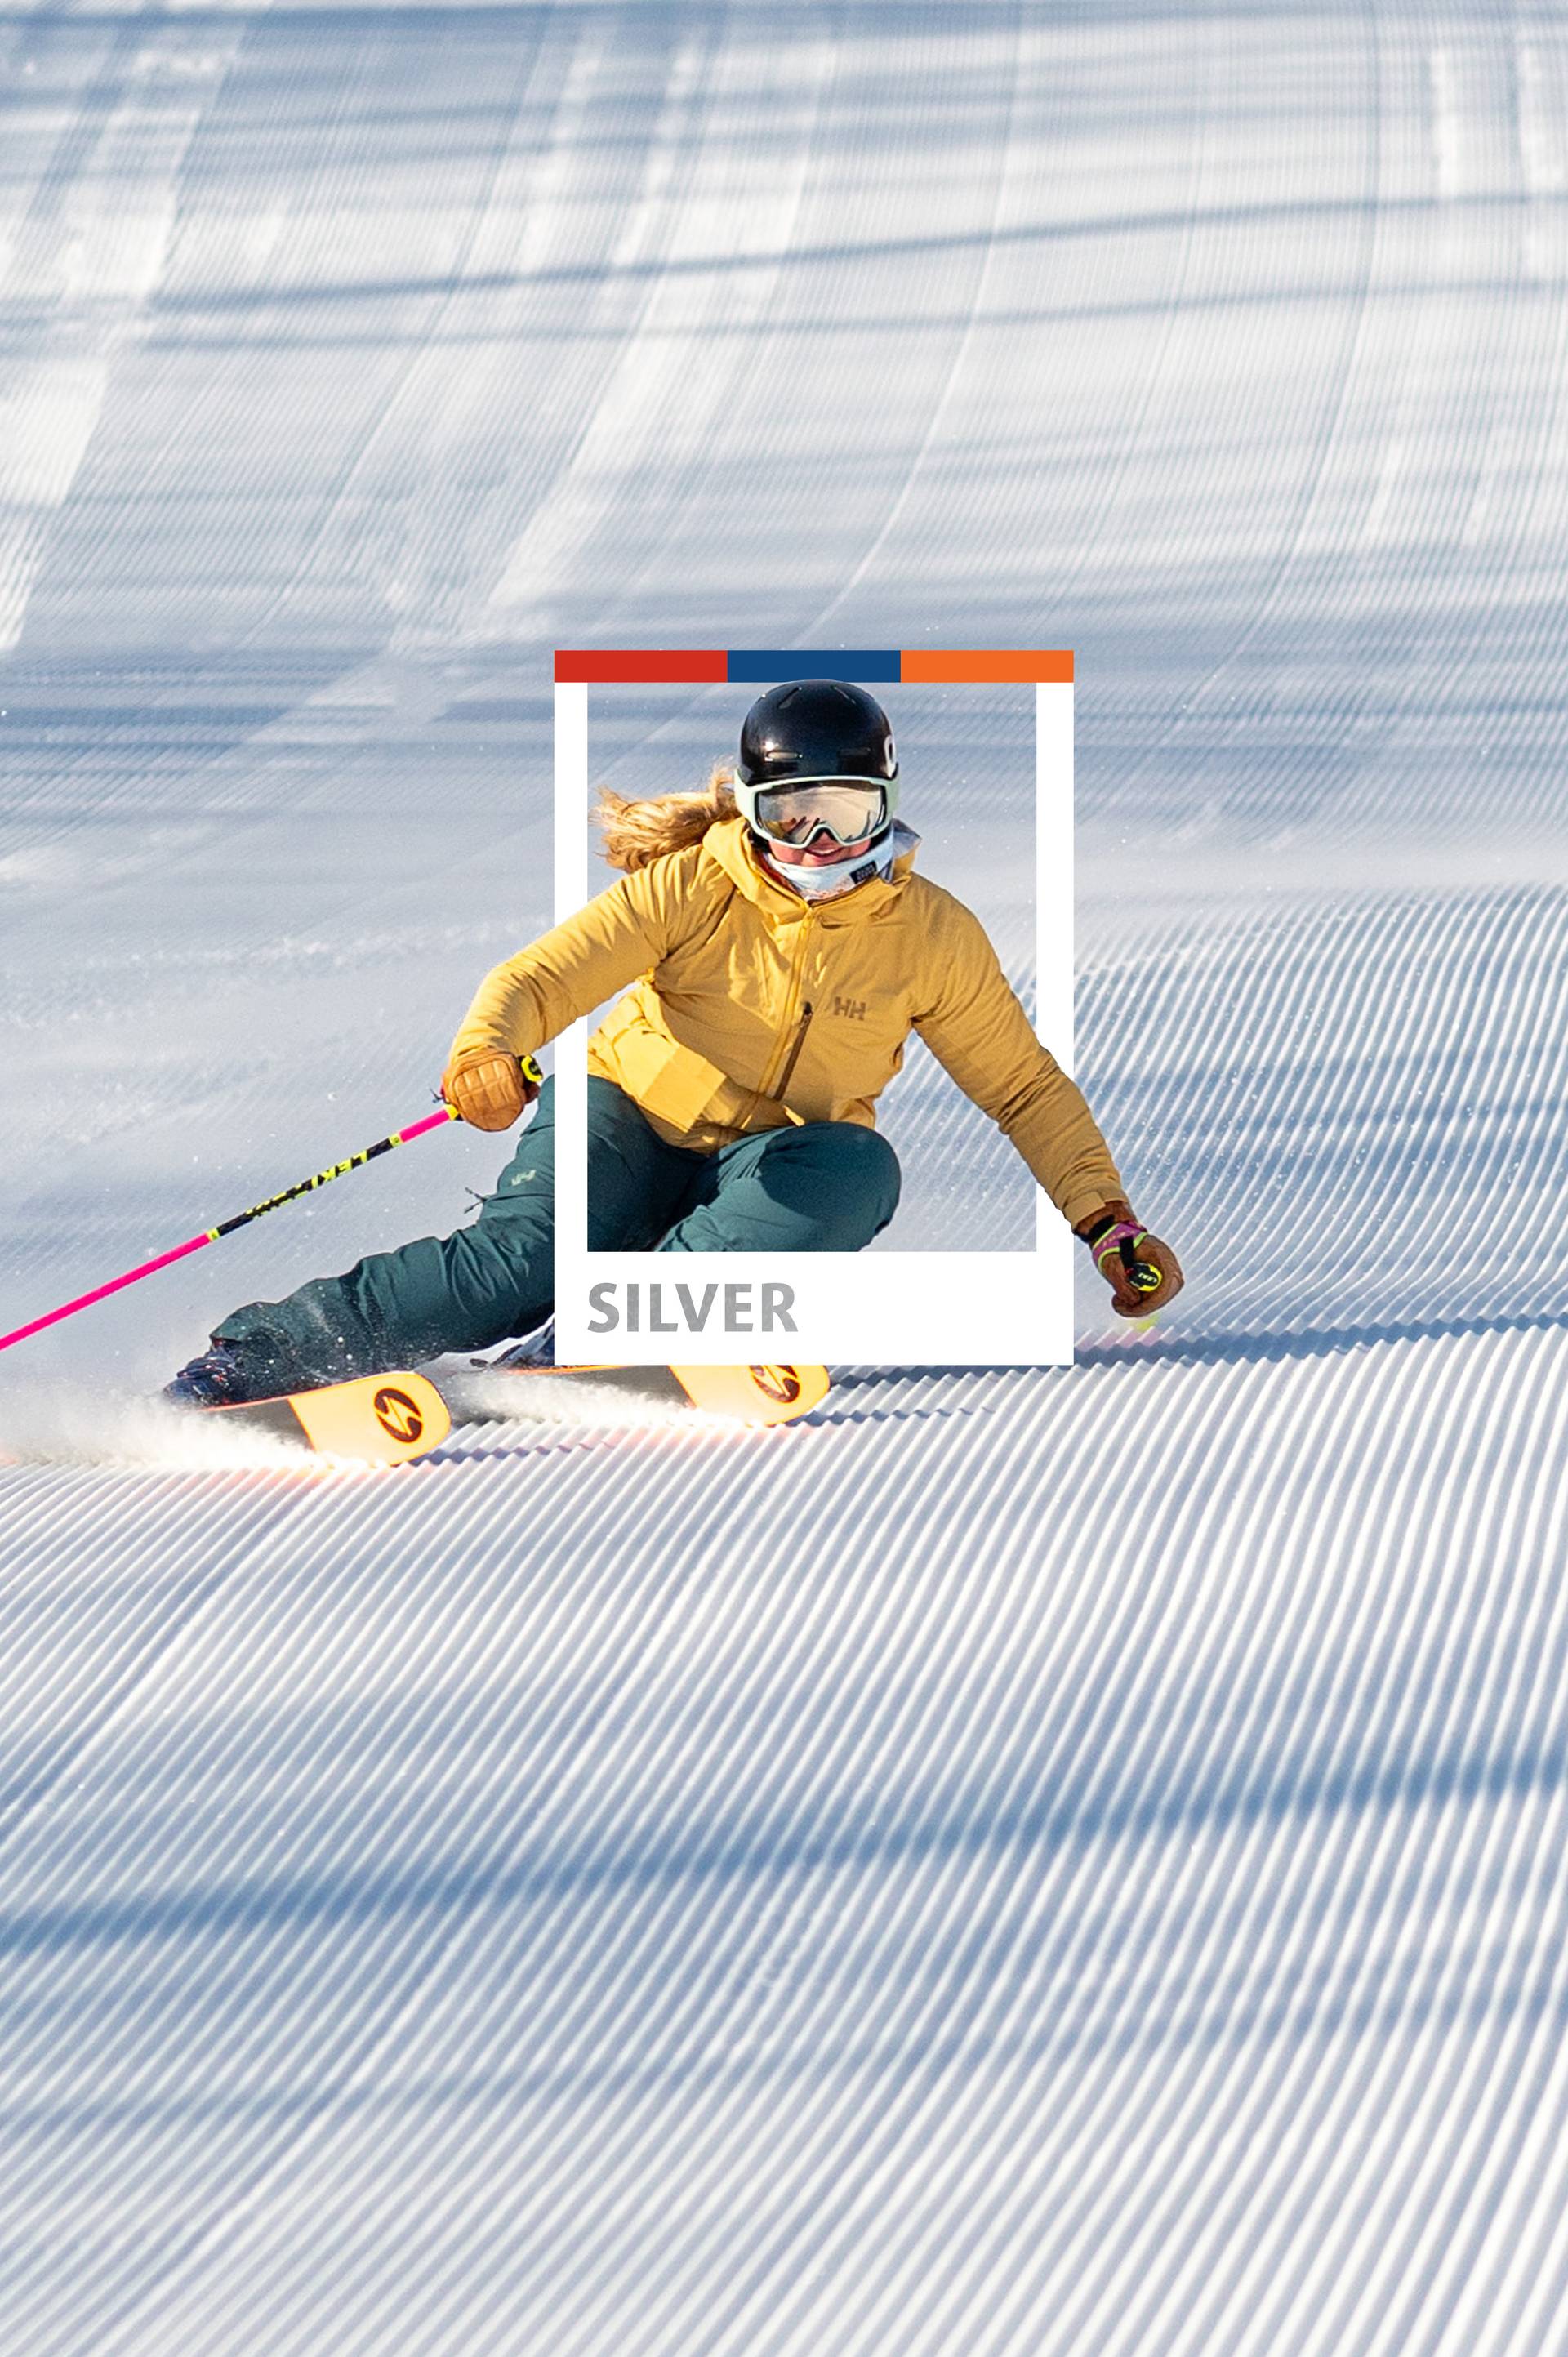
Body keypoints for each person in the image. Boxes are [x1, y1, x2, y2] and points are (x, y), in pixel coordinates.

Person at [166, 681, 1183, 1404]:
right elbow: (544, 976)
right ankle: (256, 1359)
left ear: (888, 802)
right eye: (793, 815)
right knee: (517, 1267)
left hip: (768, 1164)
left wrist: (1107, 1221)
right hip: (625, 1118)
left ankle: (605, 1333)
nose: (819, 844)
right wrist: (486, 1051)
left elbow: (1023, 1088)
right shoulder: (695, 884)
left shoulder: (931, 934)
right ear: (751, 808)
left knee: (856, 1169)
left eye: (846, 813)